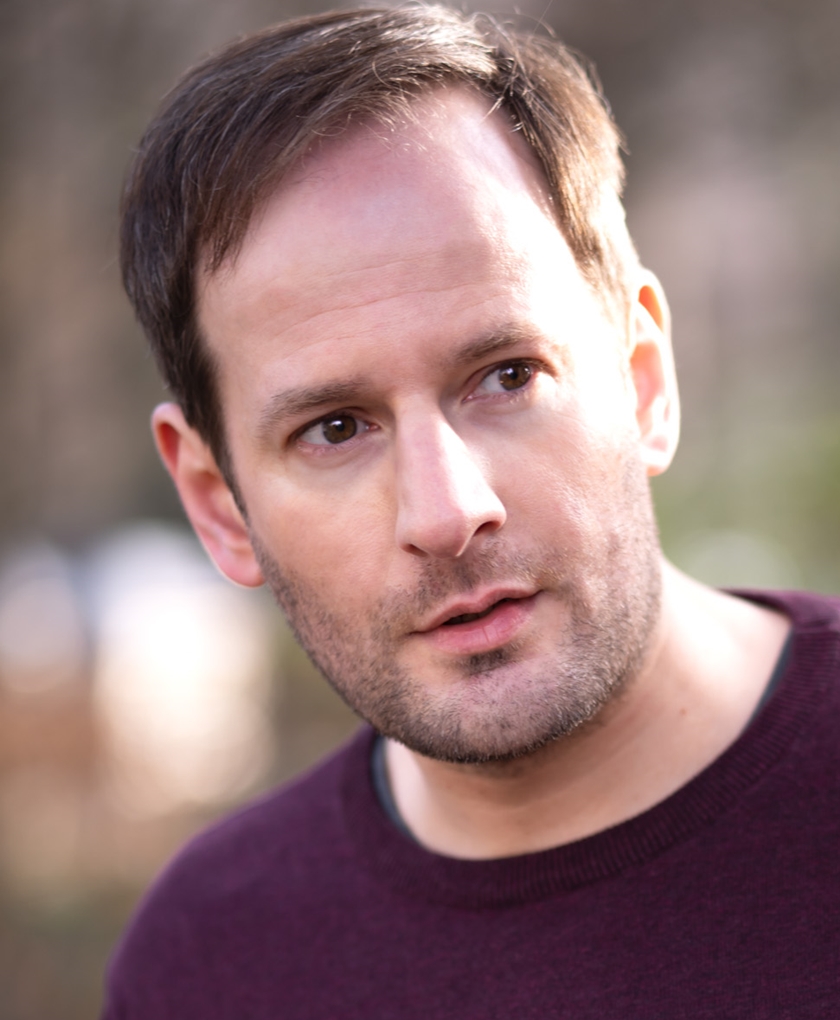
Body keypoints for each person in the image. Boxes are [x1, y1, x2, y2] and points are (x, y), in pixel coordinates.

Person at [103, 6, 840, 1017]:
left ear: (642, 380)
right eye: (334, 429)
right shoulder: (206, 961)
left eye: (506, 376)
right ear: (218, 504)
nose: (449, 511)